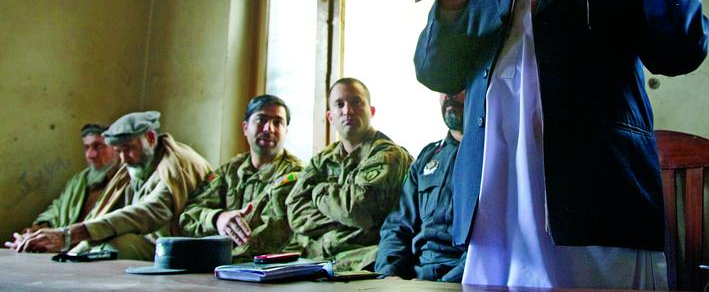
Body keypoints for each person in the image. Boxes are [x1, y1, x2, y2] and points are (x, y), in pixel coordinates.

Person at [414, 0, 709, 288]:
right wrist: (450, 4)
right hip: (493, 209)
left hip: (598, 203)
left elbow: (681, 52)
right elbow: (435, 72)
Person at [15, 110, 212, 260]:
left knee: (110, 248)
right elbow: (106, 211)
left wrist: (69, 235)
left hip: (176, 247)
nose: (124, 158)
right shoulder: (134, 164)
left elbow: (148, 212)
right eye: (119, 151)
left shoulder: (177, 165)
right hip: (148, 240)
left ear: (150, 138)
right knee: (88, 249)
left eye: (129, 149)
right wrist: (66, 246)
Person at [284, 78, 412, 271]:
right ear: (330, 116)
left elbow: (359, 210)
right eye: (340, 104)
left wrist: (319, 191)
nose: (348, 110)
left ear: (372, 111)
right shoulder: (322, 160)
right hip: (318, 260)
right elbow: (295, 212)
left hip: (365, 261)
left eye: (356, 102)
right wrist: (345, 222)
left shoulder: (387, 154)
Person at [180, 94, 303, 260]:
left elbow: (273, 237)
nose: (269, 129)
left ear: (285, 131)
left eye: (278, 122)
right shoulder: (228, 171)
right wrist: (217, 218)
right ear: (245, 128)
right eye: (261, 120)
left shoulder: (297, 175)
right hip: (220, 268)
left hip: (268, 271)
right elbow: (187, 217)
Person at [375, 91, 466, 281]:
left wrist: (444, 285)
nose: (449, 94)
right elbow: (397, 226)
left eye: (457, 86)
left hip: (462, 279)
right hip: (417, 277)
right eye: (443, 88)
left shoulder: (495, 154)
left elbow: (492, 244)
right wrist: (389, 276)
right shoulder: (428, 157)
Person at [4, 124, 118, 250]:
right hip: (63, 243)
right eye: (86, 148)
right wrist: (38, 230)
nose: (91, 155)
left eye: (98, 146)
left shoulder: (123, 181)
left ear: (115, 148)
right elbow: (57, 209)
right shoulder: (79, 180)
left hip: (93, 247)